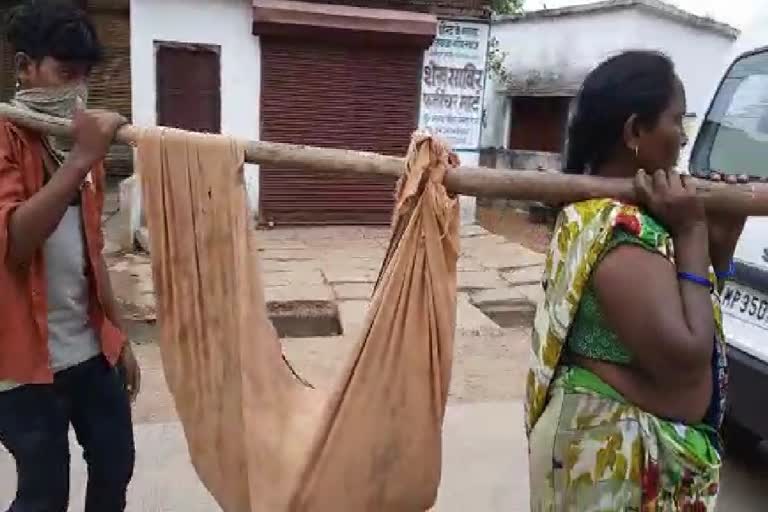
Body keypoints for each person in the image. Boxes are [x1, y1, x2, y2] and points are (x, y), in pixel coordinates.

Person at [526, 50, 748, 510]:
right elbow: (687, 356)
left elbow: (694, 313)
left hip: (627, 462)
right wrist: (692, 231)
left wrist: (719, 246)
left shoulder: (635, 221)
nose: (683, 139)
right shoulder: (615, 230)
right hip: (609, 460)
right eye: (675, 120)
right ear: (634, 132)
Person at [0, 1, 140, 510]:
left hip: (88, 350)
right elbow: (15, 243)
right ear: (24, 68)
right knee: (43, 495)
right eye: (63, 74)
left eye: (83, 77)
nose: (76, 91)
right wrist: (82, 156)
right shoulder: (6, 136)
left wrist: (118, 336)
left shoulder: (78, 145)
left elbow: (93, 253)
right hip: (22, 365)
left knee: (115, 466)